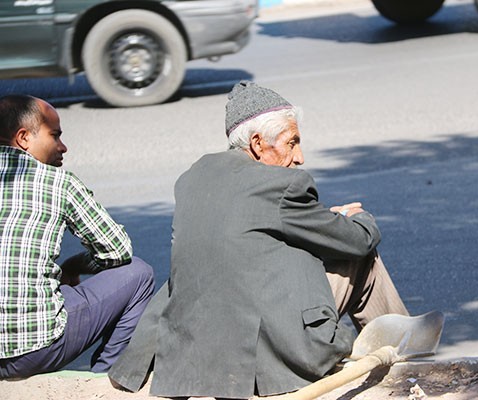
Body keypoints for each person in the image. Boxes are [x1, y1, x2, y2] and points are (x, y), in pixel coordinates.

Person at [109, 81, 411, 398]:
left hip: (193, 348)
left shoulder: (193, 178)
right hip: (263, 349)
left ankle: (403, 349)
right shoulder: (282, 186)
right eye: (291, 143)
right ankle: (406, 355)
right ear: (257, 143)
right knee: (363, 257)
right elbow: (357, 240)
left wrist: (324, 222)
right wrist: (358, 219)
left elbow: (255, 233)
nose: (300, 157)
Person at [0, 95, 155, 378]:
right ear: (23, 138)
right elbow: (117, 250)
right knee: (139, 273)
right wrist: (74, 266)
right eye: (55, 135)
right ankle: (108, 378)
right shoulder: (57, 183)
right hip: (35, 349)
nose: (63, 147)